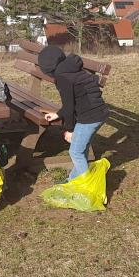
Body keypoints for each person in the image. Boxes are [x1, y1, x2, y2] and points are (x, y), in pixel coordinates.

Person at [37, 45, 109, 182]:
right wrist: (58, 114)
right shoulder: (70, 68)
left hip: (89, 117)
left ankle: (86, 186)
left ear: (48, 70)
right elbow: (72, 102)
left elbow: (69, 108)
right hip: (98, 113)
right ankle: (73, 180)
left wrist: (70, 130)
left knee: (75, 152)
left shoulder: (62, 78)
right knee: (81, 149)